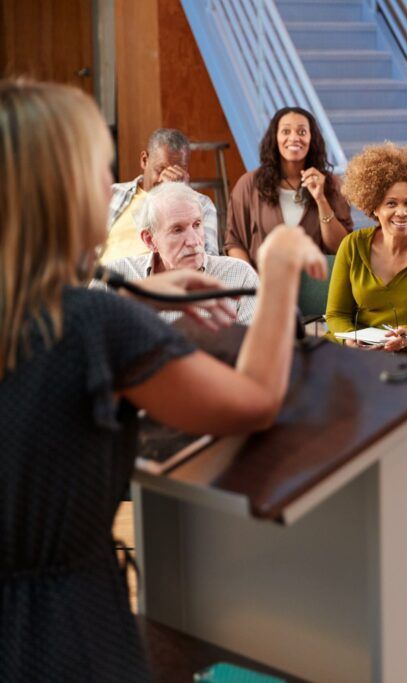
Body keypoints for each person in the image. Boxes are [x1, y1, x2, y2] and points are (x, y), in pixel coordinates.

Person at [0, 80, 326, 681]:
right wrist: (277, 268)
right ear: (64, 192)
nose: (115, 187)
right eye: (100, 167)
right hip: (67, 630)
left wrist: (143, 296)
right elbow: (253, 403)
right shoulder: (96, 325)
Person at [325, 144, 407, 360]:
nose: (402, 212)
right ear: (374, 208)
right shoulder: (352, 245)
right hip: (356, 351)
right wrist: (348, 338)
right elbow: (336, 313)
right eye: (391, 204)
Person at [95, 182, 260, 325]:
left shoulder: (240, 276)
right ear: (150, 240)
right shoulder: (113, 280)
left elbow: (259, 353)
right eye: (177, 230)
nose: (193, 241)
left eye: (196, 225)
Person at [225, 106, 353, 267]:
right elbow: (235, 243)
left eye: (302, 132)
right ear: (275, 137)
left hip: (317, 288)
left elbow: (341, 247)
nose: (294, 138)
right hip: (263, 286)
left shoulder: (332, 184)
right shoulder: (248, 184)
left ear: (311, 139)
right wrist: (250, 284)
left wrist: (321, 199)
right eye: (286, 131)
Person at [102, 128, 218, 263]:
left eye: (178, 170)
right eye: (161, 169)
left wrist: (180, 198)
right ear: (144, 160)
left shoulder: (202, 205)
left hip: (153, 280)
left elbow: (207, 262)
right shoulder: (113, 193)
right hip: (99, 280)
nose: (166, 178)